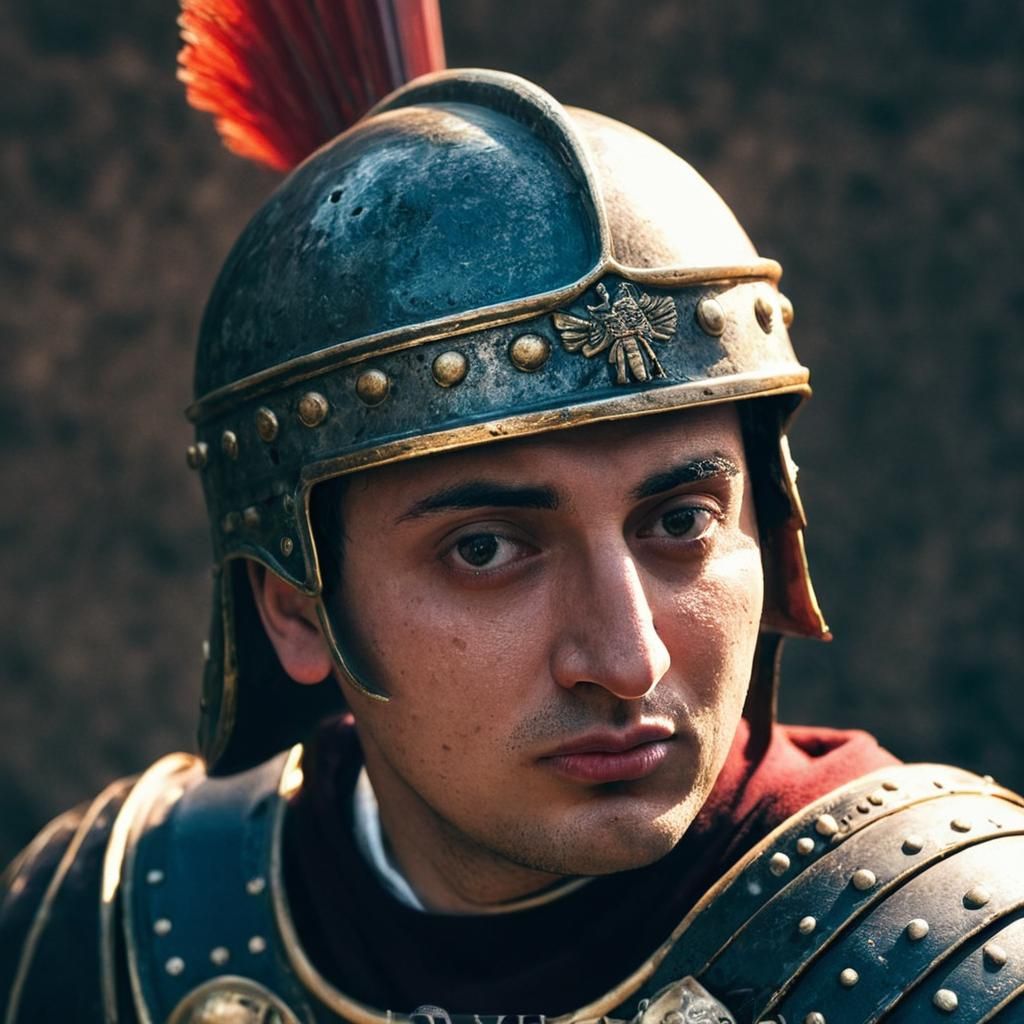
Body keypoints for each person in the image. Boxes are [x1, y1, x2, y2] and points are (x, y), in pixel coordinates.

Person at [3, 5, 1024, 1023]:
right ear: (296, 605)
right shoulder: (109, 934)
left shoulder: (959, 960)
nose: (627, 662)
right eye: (486, 548)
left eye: (679, 521)